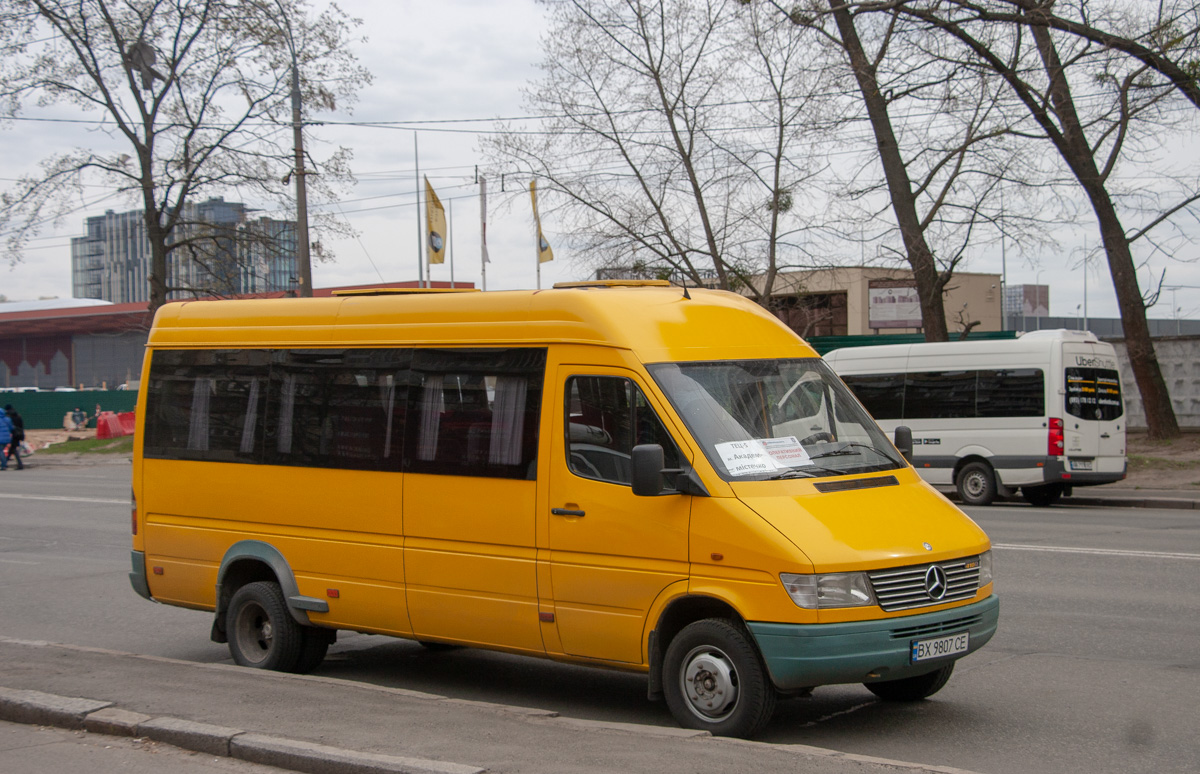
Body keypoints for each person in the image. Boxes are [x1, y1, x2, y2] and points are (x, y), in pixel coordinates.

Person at [3, 404, 24, 470]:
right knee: (12, 449)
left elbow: (10, 427)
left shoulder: (8, 417)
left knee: (13, 449)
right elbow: (21, 425)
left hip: (13, 434)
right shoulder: (18, 415)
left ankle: (19, 465)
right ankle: (5, 463)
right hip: (19, 434)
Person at [0, 406, 14, 472]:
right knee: (1, 450)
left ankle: (4, 465)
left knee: (0, 451)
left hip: (1, 438)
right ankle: (4, 464)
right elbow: (11, 428)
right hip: (7, 438)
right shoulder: (7, 419)